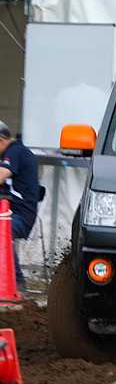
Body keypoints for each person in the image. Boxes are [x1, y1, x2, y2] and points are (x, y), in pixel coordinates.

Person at [0, 121, 39, 292]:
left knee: (1, 231)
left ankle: (17, 284)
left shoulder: (15, 151)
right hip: (11, 213)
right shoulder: (16, 151)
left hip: (20, 216)